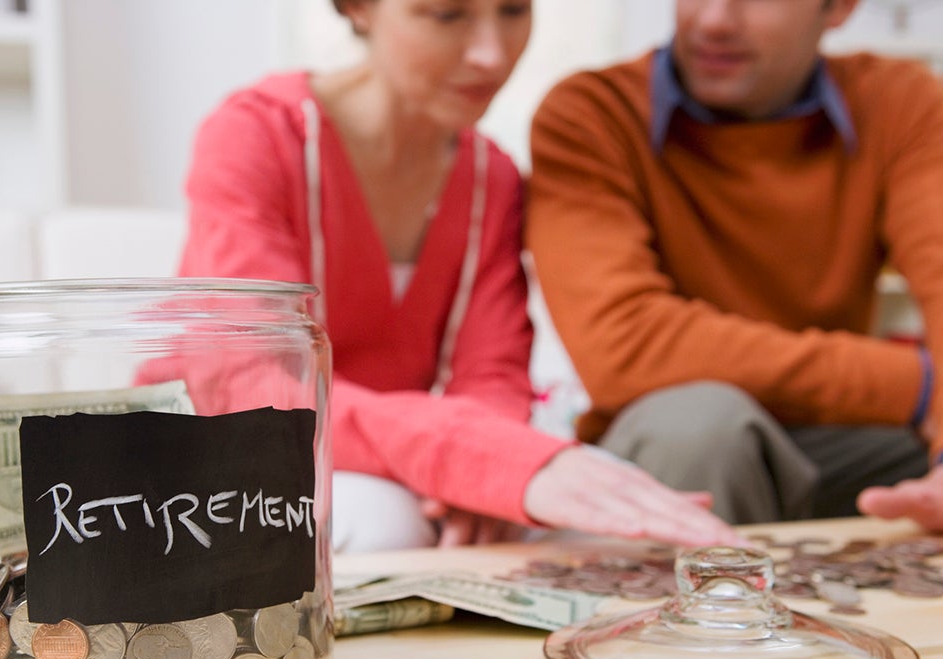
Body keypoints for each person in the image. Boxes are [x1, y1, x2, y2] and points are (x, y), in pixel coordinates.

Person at [175, 0, 741, 552]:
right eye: (447, 15)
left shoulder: (491, 176)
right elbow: (254, 382)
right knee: (382, 523)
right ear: (359, 8)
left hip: (404, 458)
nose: (491, 55)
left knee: (611, 513)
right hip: (235, 443)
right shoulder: (256, 136)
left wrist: (481, 480)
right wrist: (472, 459)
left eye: (515, 11)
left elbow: (492, 372)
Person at [526, 0, 943, 531]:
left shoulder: (899, 101)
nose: (714, 21)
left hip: (834, 436)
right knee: (702, 427)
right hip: (675, 444)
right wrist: (916, 384)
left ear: (839, 7)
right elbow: (624, 348)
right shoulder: (592, 115)